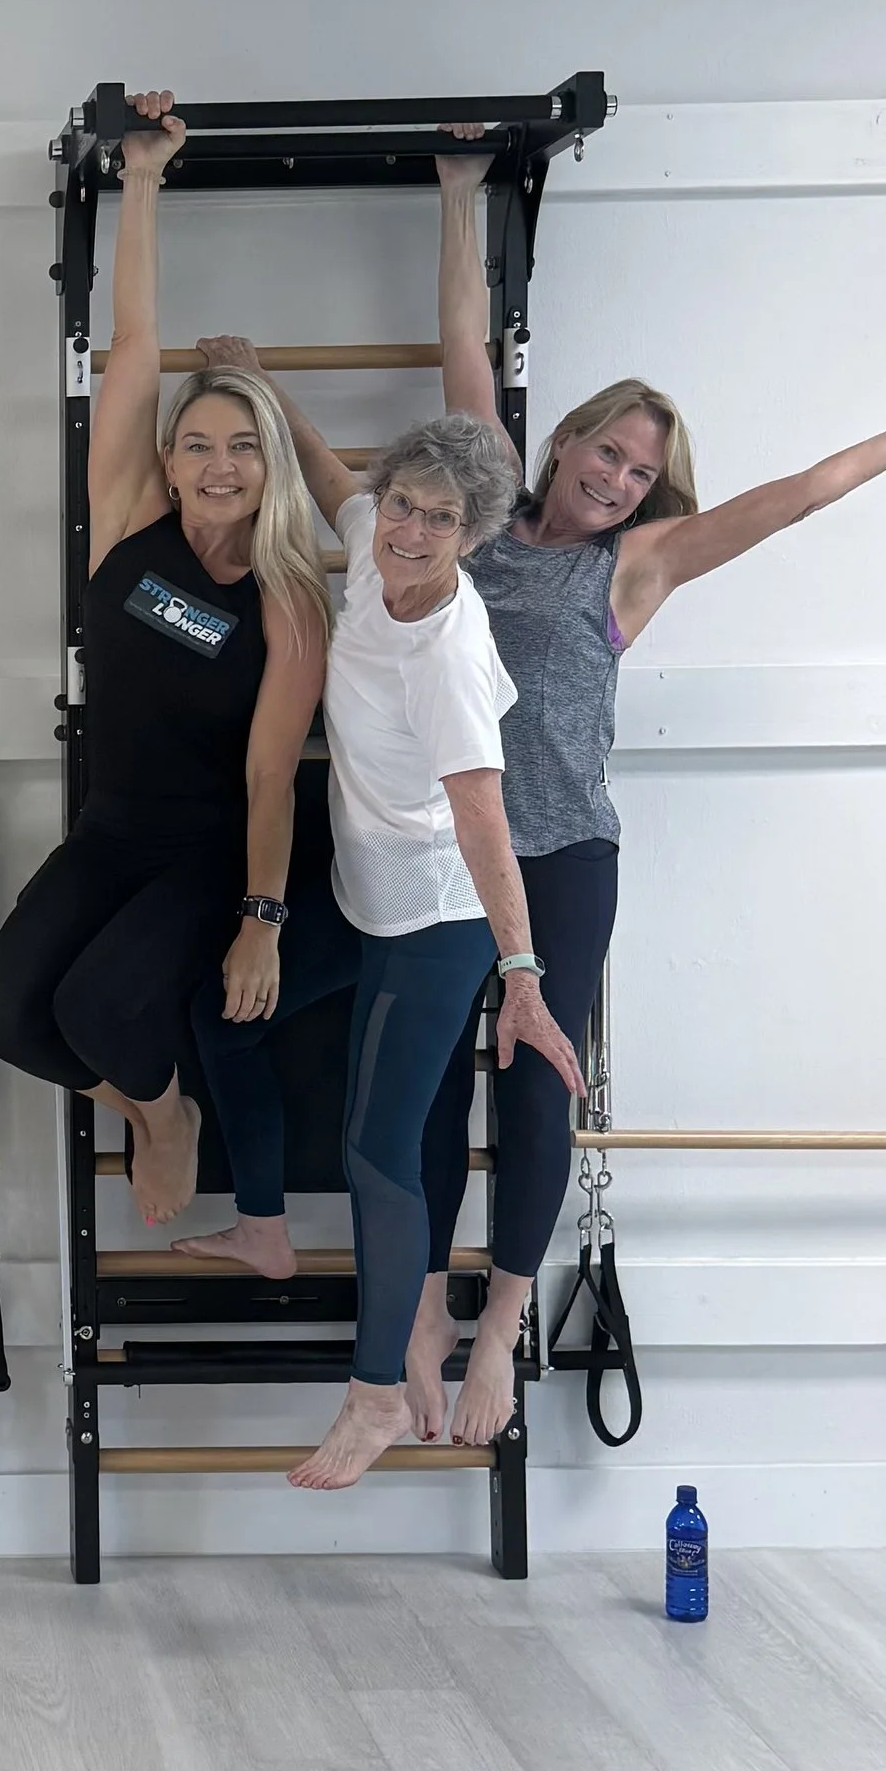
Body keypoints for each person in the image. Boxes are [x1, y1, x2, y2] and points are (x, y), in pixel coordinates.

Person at [410, 129, 886, 1452]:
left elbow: (792, 498)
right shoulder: (474, 517)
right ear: (570, 434)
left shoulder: (634, 566)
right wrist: (459, 195)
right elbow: (465, 357)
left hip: (566, 856)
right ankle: (421, 1310)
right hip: (439, 851)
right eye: (606, 451)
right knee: (419, 1085)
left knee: (536, 1085)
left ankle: (502, 1326)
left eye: (642, 471)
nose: (617, 477)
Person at [0, 94, 332, 1228]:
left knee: (95, 1004)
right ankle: (153, 1109)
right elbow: (131, 347)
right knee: (6, 1014)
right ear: (167, 460)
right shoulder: (128, 520)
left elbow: (273, 774)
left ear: (266, 463)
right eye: (196, 443)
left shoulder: (287, 596)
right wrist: (140, 178)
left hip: (209, 848)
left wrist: (261, 914)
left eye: (240, 445)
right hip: (110, 826)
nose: (217, 464)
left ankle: (166, 1109)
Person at [271, 405, 583, 1488]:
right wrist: (259, 383)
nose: (407, 528)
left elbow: (483, 823)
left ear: (470, 532)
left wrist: (524, 978)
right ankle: (265, 1222)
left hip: (435, 920)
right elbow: (326, 477)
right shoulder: (370, 538)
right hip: (360, 894)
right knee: (222, 999)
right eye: (403, 503)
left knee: (374, 1148)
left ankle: (374, 1398)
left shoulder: (445, 654)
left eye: (437, 518)